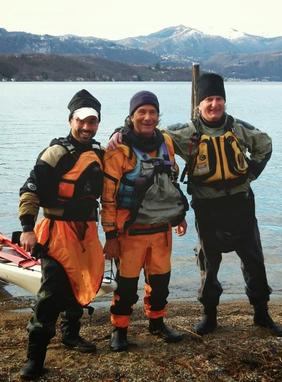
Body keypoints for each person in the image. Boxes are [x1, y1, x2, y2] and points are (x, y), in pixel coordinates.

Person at [109, 74, 282, 337]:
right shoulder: (186, 133)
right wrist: (121, 131)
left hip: (241, 204)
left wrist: (251, 174)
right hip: (207, 206)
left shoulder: (238, 129)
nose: (214, 104)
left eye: (218, 99)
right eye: (208, 100)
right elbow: (149, 132)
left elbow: (265, 144)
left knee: (254, 260)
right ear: (198, 105)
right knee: (208, 263)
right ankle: (209, 316)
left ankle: (261, 313)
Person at [18, 89, 105, 380]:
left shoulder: (99, 154)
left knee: (81, 283)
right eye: (81, 121)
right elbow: (30, 190)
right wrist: (28, 229)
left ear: (97, 124)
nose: (86, 127)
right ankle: (35, 358)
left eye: (92, 122)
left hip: (87, 232)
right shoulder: (54, 154)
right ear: (70, 121)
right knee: (50, 296)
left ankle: (71, 335)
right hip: (56, 233)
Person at [101, 91, 189, 352]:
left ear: (158, 116)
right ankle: (120, 329)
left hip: (161, 228)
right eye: (142, 112)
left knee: (161, 281)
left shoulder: (166, 144)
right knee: (126, 286)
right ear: (131, 116)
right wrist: (110, 236)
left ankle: (157, 323)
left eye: (152, 112)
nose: (148, 117)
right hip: (130, 230)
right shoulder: (119, 148)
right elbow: (107, 197)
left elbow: (169, 184)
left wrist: (179, 215)